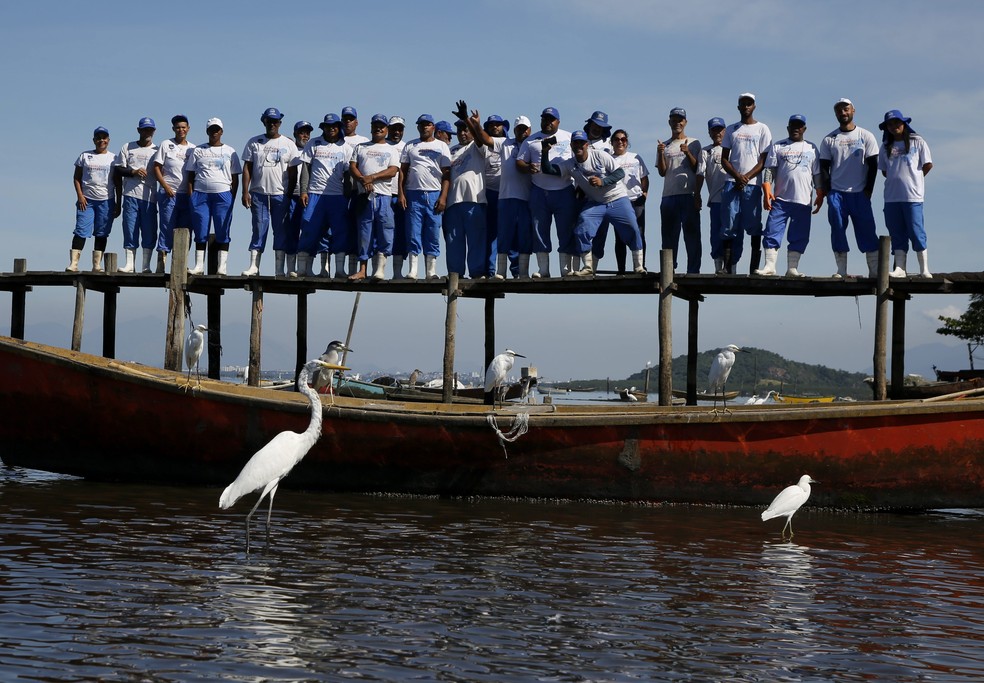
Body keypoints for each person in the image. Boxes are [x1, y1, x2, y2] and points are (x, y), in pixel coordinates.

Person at [540, 130, 645, 275]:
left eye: (581, 143)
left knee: (633, 228)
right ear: (571, 145)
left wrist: (603, 181)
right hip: (596, 203)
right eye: (575, 143)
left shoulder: (600, 155)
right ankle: (588, 267)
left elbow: (620, 173)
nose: (579, 146)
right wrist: (545, 152)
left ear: (587, 144)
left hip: (617, 198)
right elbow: (549, 169)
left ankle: (638, 266)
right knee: (582, 227)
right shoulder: (570, 164)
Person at [818, 98, 880, 278]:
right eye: (839, 110)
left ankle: (875, 271)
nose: (843, 113)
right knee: (837, 228)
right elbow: (824, 167)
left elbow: (873, 165)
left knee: (867, 229)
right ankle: (841, 270)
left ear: (853, 110)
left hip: (860, 193)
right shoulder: (830, 139)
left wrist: (868, 190)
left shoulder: (865, 135)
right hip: (837, 193)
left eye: (846, 109)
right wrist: (829, 192)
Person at [755, 115, 824, 277]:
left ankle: (792, 268)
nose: (796, 129)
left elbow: (817, 174)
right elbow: (770, 170)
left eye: (799, 126)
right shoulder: (779, 146)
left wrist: (820, 192)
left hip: (803, 200)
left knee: (799, 234)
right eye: (793, 125)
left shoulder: (811, 148)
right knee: (772, 230)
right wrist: (766, 189)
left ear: (804, 129)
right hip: (781, 200)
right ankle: (769, 266)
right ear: (788, 128)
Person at [516, 107, 576, 277]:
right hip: (539, 192)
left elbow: (579, 160)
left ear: (558, 122)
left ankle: (566, 269)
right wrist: (528, 167)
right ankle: (543, 270)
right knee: (539, 230)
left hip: (564, 190)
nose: (548, 122)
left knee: (565, 230)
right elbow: (519, 162)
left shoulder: (569, 137)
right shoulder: (531, 140)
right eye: (545, 119)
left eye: (552, 119)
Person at [240, 107, 299, 277]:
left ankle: (279, 269)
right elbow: (247, 168)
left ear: (280, 123)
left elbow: (294, 171)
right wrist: (245, 191)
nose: (272, 124)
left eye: (275, 121)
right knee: (259, 228)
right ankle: (254, 266)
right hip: (258, 193)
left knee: (280, 230)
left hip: (280, 194)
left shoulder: (289, 144)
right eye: (269, 121)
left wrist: (288, 193)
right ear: (264, 121)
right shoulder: (254, 141)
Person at [295, 113, 353, 278]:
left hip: (336, 195)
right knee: (308, 227)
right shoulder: (314, 143)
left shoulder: (346, 147)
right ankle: (303, 268)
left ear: (339, 127)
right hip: (314, 193)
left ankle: (340, 270)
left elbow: (349, 176)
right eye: (328, 126)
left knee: (340, 230)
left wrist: (347, 197)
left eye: (334, 126)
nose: (331, 129)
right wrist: (304, 191)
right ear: (323, 128)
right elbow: (305, 169)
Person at [475, 115, 533, 279]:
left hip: (526, 197)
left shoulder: (534, 144)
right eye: (519, 128)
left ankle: (521, 272)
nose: (522, 131)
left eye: (524, 128)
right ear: (514, 130)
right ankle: (500, 271)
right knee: (504, 234)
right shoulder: (506, 143)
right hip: (505, 197)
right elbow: (485, 139)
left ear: (530, 130)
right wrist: (475, 123)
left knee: (523, 236)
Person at [878, 109, 933, 278]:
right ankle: (900, 268)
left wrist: (914, 178)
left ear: (904, 123)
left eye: (897, 123)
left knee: (916, 230)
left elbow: (928, 164)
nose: (894, 126)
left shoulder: (918, 141)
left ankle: (924, 268)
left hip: (913, 196)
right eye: (890, 124)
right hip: (892, 197)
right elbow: (884, 170)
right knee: (896, 232)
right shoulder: (886, 146)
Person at [721, 93, 772, 274]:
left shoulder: (762, 129)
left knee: (754, 223)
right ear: (738, 107)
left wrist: (747, 177)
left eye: (749, 104)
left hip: (752, 184)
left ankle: (753, 267)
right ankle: (727, 267)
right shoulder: (731, 129)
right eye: (742, 104)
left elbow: (763, 160)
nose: (746, 107)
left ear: (754, 106)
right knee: (729, 224)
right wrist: (737, 176)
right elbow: (724, 159)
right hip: (731, 182)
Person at [184, 117, 242, 275]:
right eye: (211, 129)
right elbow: (190, 175)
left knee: (222, 229)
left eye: (217, 129)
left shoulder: (230, 151)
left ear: (221, 131)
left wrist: (232, 197)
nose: (214, 132)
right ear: (207, 131)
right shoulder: (198, 150)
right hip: (200, 195)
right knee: (201, 230)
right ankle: (199, 266)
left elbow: (235, 178)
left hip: (223, 195)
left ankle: (222, 267)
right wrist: (191, 196)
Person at [398, 114, 451, 280]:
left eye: (427, 124)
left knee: (433, 232)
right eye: (421, 124)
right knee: (413, 232)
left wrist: (443, 197)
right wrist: (401, 192)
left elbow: (447, 174)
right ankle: (413, 270)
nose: (424, 127)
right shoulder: (410, 145)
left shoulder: (441, 146)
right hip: (414, 193)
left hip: (434, 193)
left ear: (433, 127)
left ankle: (431, 271)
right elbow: (403, 171)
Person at [348, 114, 400, 280]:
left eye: (381, 126)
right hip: (364, 196)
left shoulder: (391, 149)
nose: (378, 128)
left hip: (384, 195)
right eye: (375, 125)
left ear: (386, 129)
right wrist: (363, 180)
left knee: (385, 231)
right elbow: (352, 167)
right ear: (371, 127)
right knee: (364, 233)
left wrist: (372, 178)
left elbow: (393, 171)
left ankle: (379, 269)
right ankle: (362, 270)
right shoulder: (361, 147)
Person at [444, 103, 490, 278]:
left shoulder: (477, 146)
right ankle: (455, 273)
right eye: (460, 130)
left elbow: (480, 137)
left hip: (474, 200)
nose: (463, 133)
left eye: (465, 130)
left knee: (476, 238)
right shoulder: (451, 150)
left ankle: (477, 272)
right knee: (454, 240)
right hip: (453, 202)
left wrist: (466, 119)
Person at [657, 107, 702, 273]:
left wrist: (688, 152)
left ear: (685, 122)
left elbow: (698, 168)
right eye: (674, 120)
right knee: (668, 237)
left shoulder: (694, 142)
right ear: (669, 122)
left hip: (688, 195)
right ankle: (669, 270)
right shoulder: (665, 145)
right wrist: (660, 153)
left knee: (692, 236)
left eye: (680, 120)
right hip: (668, 196)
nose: (677, 123)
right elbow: (662, 172)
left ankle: (693, 271)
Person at [68, 126, 118, 273]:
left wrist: (118, 202)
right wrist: (80, 195)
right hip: (87, 200)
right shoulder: (85, 156)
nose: (101, 140)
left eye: (104, 138)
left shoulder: (114, 158)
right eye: (98, 138)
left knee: (102, 232)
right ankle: (73, 263)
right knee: (81, 230)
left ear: (108, 140)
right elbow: (76, 177)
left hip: (106, 200)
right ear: (94, 140)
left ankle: (97, 265)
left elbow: (118, 182)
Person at [114, 117, 159, 273]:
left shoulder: (158, 150)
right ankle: (129, 264)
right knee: (130, 228)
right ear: (139, 130)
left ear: (154, 131)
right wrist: (133, 171)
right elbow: (118, 169)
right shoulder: (128, 147)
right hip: (130, 195)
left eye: (150, 129)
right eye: (145, 129)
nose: (148, 132)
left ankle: (146, 266)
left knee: (149, 230)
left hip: (150, 197)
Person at [152, 115, 194, 275]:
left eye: (183, 127)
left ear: (188, 128)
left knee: (185, 230)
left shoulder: (192, 148)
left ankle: (181, 264)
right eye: (178, 127)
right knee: (167, 227)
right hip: (168, 193)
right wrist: (165, 186)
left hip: (186, 195)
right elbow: (156, 167)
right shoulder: (166, 144)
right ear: (173, 129)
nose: (181, 130)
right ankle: (161, 263)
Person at [608, 129, 649, 273]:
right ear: (612, 142)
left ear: (627, 142)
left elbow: (644, 178)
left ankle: (640, 266)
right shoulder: (609, 159)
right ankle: (621, 270)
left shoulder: (636, 158)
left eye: (623, 139)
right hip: (618, 201)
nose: (620, 142)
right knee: (619, 236)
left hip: (636, 200)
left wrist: (644, 194)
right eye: (617, 139)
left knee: (639, 233)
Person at [696, 117, 729, 274]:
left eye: (720, 130)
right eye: (714, 130)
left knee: (732, 232)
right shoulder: (705, 151)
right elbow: (700, 174)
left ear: (725, 130)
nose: (718, 133)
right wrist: (697, 194)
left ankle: (731, 266)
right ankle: (718, 265)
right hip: (715, 199)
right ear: (709, 132)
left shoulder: (733, 148)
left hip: (733, 198)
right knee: (716, 233)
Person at [284, 120, 313, 277]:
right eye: (302, 132)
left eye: (308, 132)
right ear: (295, 133)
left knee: (308, 232)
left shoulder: (313, 149)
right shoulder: (290, 148)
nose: (305, 135)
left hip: (310, 197)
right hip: (293, 195)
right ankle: (290, 268)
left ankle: (305, 267)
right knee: (292, 231)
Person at [385, 116, 408, 278]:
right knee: (382, 233)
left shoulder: (407, 147)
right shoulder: (381, 144)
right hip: (383, 194)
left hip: (401, 196)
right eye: (394, 128)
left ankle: (397, 273)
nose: (396, 132)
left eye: (400, 129)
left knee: (400, 234)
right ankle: (377, 270)